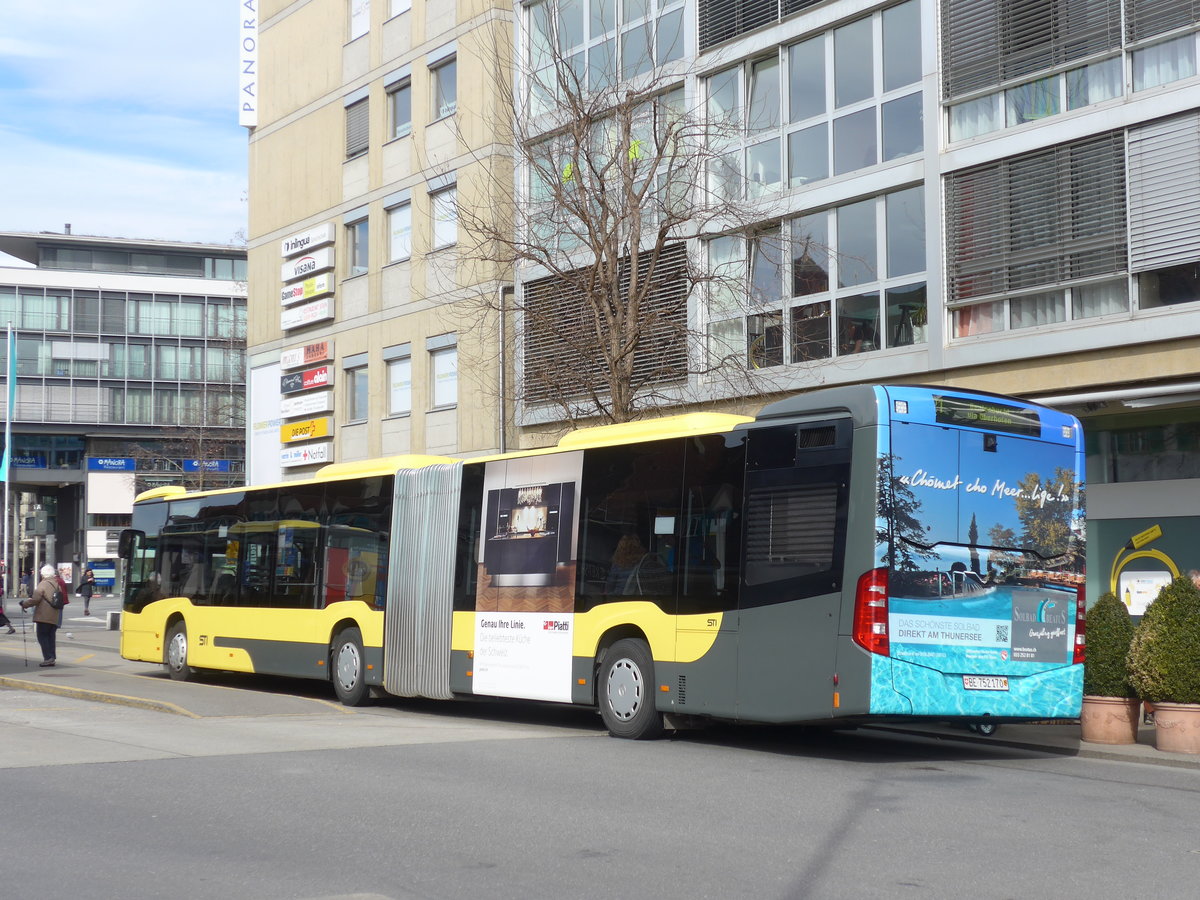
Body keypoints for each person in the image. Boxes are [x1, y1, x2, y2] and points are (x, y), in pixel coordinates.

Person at [20, 564, 67, 667]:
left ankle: (48, 658)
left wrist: (25, 604)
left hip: (44, 615)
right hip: (54, 614)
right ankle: (52, 657)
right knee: (51, 636)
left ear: (43, 574)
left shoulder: (43, 584)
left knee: (42, 636)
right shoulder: (56, 584)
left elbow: (35, 599)